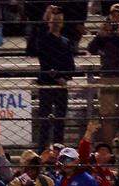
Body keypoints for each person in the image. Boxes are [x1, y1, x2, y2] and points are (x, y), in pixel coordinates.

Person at [86, 4, 119, 151]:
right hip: (107, 76)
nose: (116, 17)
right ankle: (107, 151)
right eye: (113, 14)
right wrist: (100, 35)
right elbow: (90, 49)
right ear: (109, 16)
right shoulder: (104, 33)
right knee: (107, 117)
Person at [27, 5, 76, 152]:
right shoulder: (43, 39)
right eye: (53, 20)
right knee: (44, 122)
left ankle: (58, 151)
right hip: (46, 84)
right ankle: (42, 151)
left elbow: (71, 66)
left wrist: (64, 76)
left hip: (61, 85)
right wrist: (55, 75)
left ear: (62, 23)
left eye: (59, 21)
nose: (56, 23)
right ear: (49, 22)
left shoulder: (66, 41)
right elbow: (34, 46)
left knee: (60, 121)